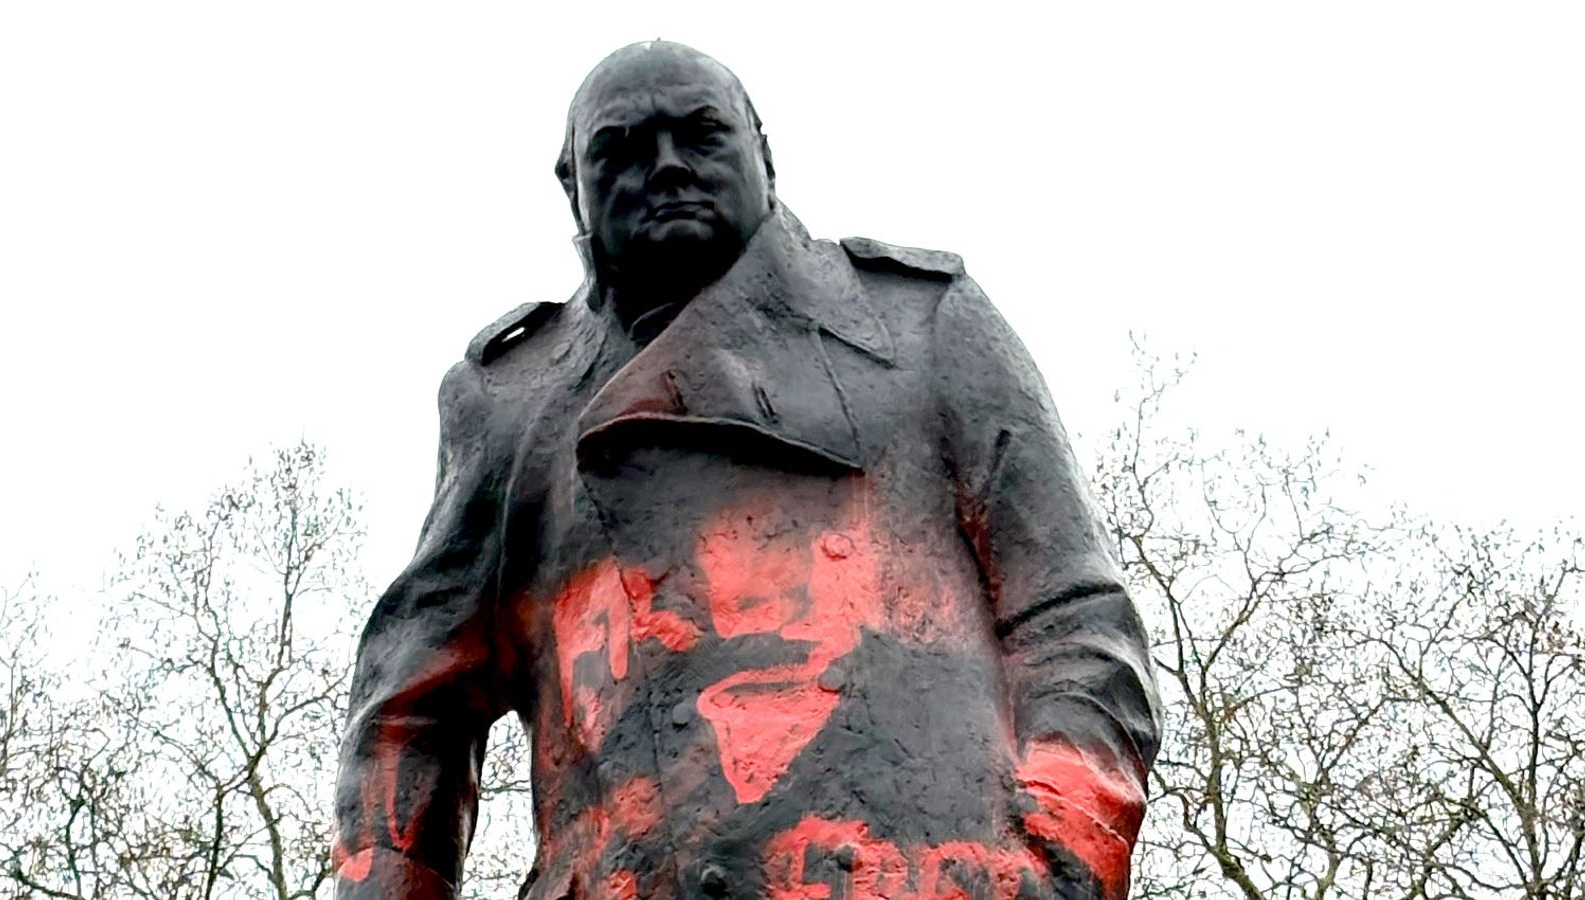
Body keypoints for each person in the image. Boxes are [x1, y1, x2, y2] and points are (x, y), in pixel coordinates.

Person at [333, 40, 1160, 900]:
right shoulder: (509, 402)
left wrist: (1062, 858)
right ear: (568, 183)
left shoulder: (922, 323)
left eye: (699, 135)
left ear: (761, 149)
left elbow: (1075, 616)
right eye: (621, 148)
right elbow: (409, 714)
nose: (665, 167)